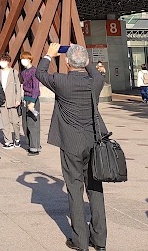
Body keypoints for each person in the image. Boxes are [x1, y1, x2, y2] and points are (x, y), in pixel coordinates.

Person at [36, 42, 107, 251]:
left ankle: (80, 240)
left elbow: (40, 73)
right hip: (94, 142)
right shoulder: (96, 81)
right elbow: (92, 70)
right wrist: (86, 61)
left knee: (75, 190)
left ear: (67, 63)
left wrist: (49, 54)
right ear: (85, 62)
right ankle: (100, 240)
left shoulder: (61, 81)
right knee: (95, 189)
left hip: (70, 144)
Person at [0, 53, 23, 149]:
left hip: (12, 100)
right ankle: (8, 141)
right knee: (4, 122)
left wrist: (18, 99)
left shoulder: (14, 72)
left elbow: (18, 87)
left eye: (4, 61)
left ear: (8, 62)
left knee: (15, 122)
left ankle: (17, 138)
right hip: (2, 101)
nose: (2, 63)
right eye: (1, 61)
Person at [20, 50, 42, 156]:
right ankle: (31, 144)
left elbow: (36, 88)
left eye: (24, 59)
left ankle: (35, 147)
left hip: (33, 99)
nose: (23, 61)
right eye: (22, 59)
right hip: (26, 98)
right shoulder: (23, 72)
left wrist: (32, 102)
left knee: (33, 124)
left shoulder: (34, 71)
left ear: (29, 59)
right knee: (25, 124)